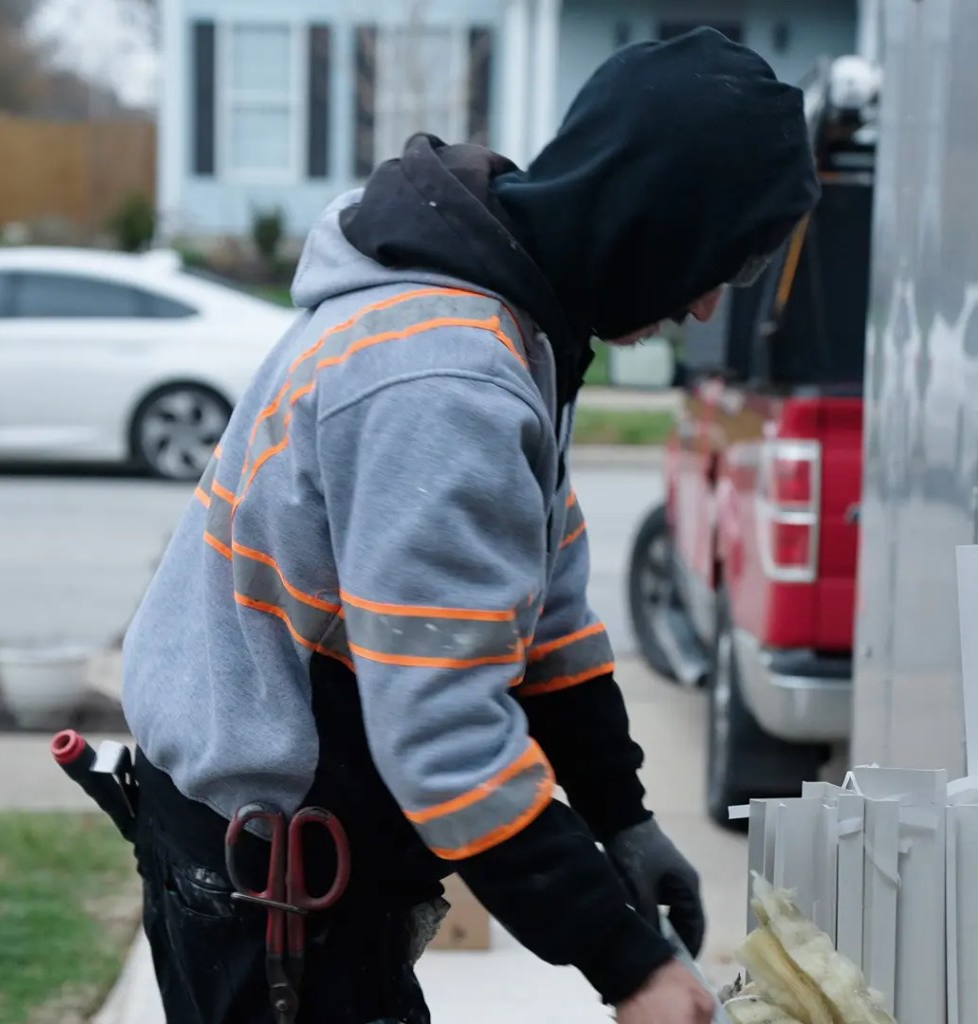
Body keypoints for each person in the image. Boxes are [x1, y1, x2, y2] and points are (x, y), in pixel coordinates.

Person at [121, 25, 819, 1024]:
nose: (708, 307)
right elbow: (444, 732)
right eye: (723, 265)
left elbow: (544, 618)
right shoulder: (442, 375)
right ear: (651, 219)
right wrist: (630, 965)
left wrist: (619, 815)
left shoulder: (513, 319)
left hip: (323, 829)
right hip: (266, 866)